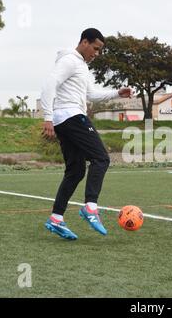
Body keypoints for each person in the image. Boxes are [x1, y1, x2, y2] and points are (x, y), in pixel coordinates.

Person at [40, 28, 132, 240]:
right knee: (101, 158)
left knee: (75, 171)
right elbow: (49, 85)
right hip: (72, 116)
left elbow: (91, 94)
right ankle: (90, 207)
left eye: (99, 51)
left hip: (64, 120)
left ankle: (56, 218)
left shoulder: (81, 66)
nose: (96, 54)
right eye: (95, 49)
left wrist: (116, 93)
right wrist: (47, 116)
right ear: (84, 42)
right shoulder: (70, 60)